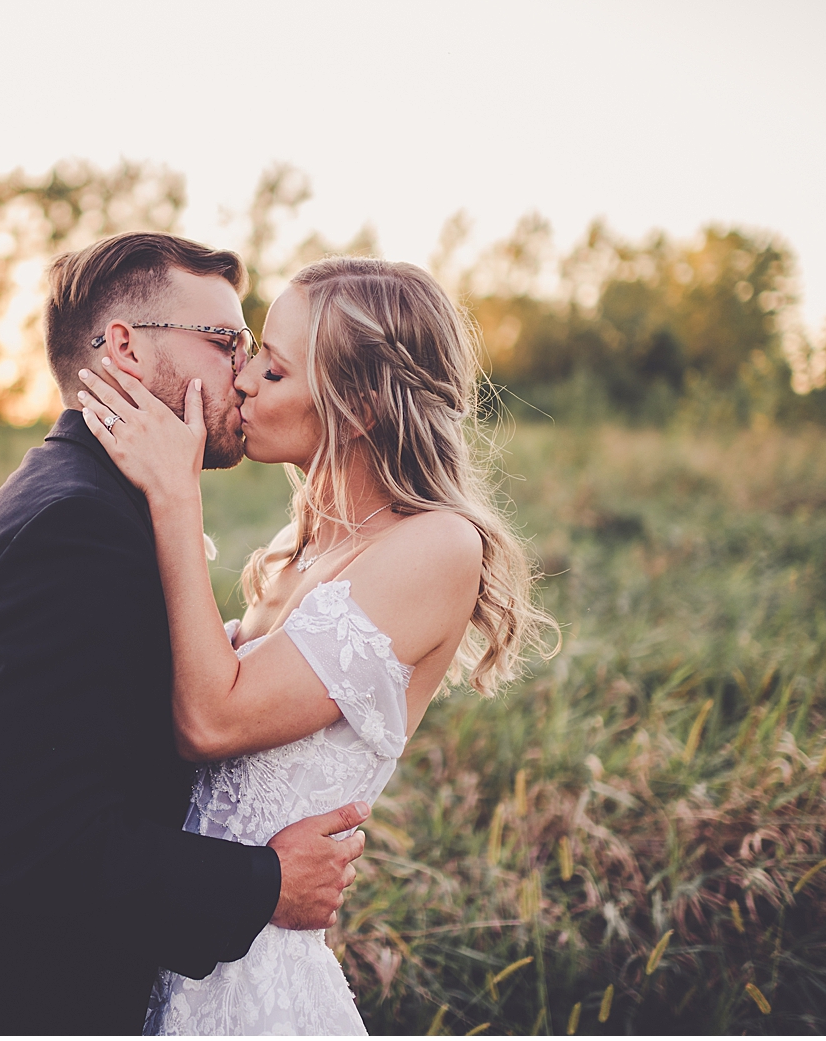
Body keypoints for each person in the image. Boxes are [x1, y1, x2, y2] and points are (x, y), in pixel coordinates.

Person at [0, 234, 373, 1037]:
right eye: (225, 342)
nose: (244, 373)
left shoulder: (81, 496)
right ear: (123, 347)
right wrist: (266, 883)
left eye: (253, 349)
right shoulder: (79, 528)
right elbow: (37, 846)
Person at [77, 257, 550, 1036]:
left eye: (272, 366)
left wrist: (173, 493)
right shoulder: (300, 550)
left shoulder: (436, 547)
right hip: (177, 953)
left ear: (358, 404)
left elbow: (211, 721)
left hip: (256, 994)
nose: (244, 382)